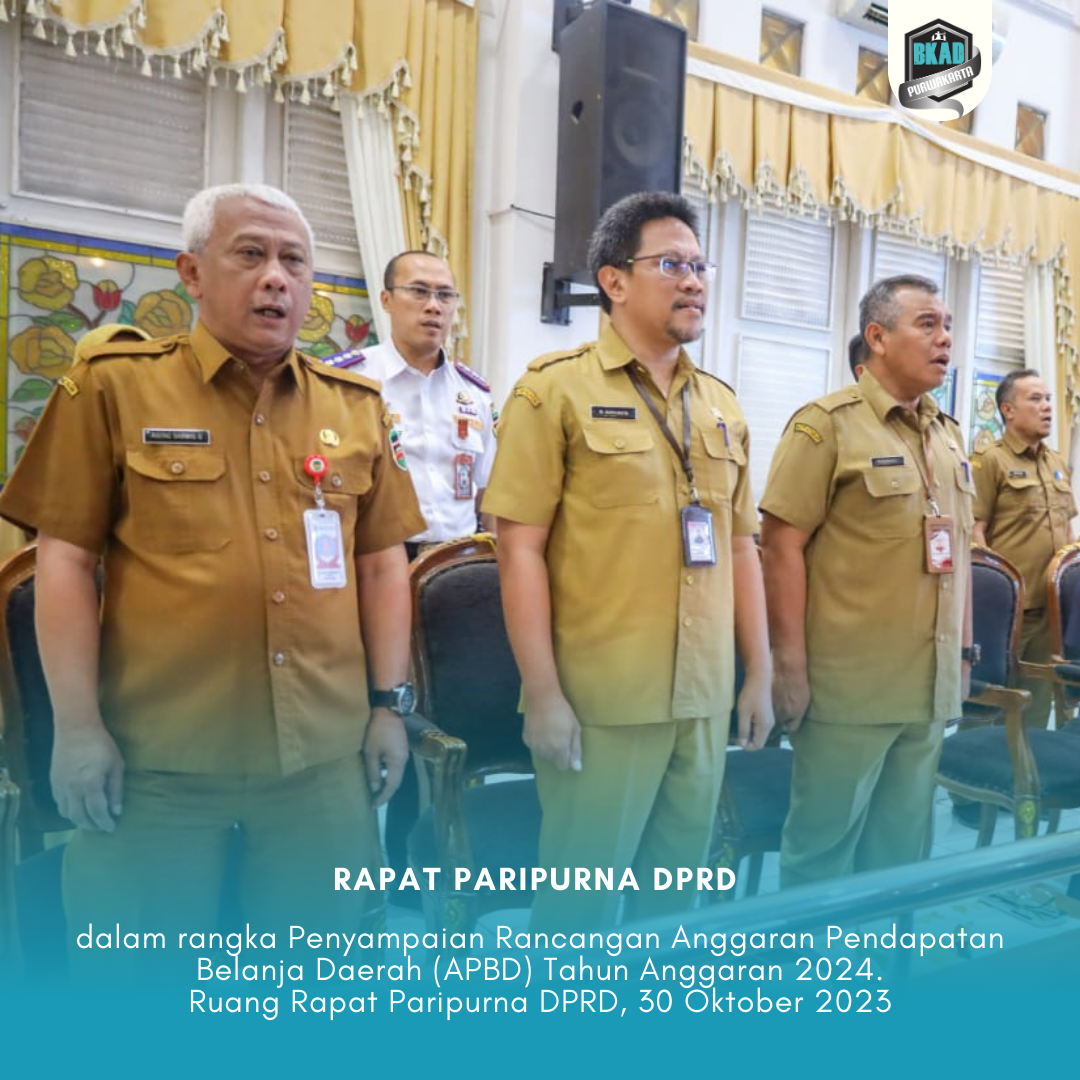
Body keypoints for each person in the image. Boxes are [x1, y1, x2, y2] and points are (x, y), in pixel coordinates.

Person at [0, 183, 425, 977]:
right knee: (139, 992)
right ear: (192, 272)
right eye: (251, 254)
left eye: (294, 261)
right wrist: (78, 729)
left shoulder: (356, 408)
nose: (277, 278)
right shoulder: (113, 387)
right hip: (156, 762)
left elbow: (380, 566)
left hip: (320, 762)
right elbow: (63, 563)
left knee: (314, 984)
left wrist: (388, 707)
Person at [483, 191, 773, 931]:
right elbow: (519, 550)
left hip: (702, 699)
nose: (694, 281)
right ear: (613, 280)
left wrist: (759, 673)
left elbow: (742, 546)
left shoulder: (721, 405)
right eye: (671, 264)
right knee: (578, 911)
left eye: (700, 266)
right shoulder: (554, 391)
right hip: (603, 702)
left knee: (673, 907)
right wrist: (543, 694)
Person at [761, 274, 975, 887]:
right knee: (822, 856)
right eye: (927, 324)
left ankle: (886, 953)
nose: (945, 339)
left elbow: (959, 551)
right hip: (849, 690)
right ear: (877, 337)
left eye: (948, 326)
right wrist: (789, 669)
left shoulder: (947, 434)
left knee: (901, 858)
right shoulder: (826, 426)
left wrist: (964, 655)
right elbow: (780, 546)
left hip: (926, 685)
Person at [327, 250, 497, 560]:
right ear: (386, 300)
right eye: (419, 291)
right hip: (374, 557)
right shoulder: (346, 381)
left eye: (445, 295)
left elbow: (488, 492)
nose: (434, 306)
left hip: (460, 558)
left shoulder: (474, 392)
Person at [972, 369, 1077, 727]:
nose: (1047, 406)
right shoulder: (990, 461)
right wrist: (990, 603)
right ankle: (972, 764)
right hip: (1008, 614)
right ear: (1008, 410)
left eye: (1048, 398)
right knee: (990, 702)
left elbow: (1067, 530)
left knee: (1037, 704)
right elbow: (975, 534)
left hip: (1051, 612)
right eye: (1035, 399)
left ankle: (1027, 765)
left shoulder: (1057, 462)